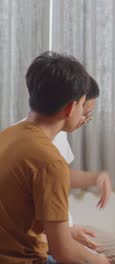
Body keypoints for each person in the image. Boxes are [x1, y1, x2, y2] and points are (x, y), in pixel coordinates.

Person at [0, 51, 109, 263]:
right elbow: (64, 252)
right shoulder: (49, 160)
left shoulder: (8, 135)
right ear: (70, 108)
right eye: (82, 104)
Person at [43, 77, 115, 263]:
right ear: (71, 107)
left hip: (66, 228)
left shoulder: (58, 134)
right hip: (53, 236)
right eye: (85, 112)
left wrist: (95, 177)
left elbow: (59, 176)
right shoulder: (35, 147)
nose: (85, 120)